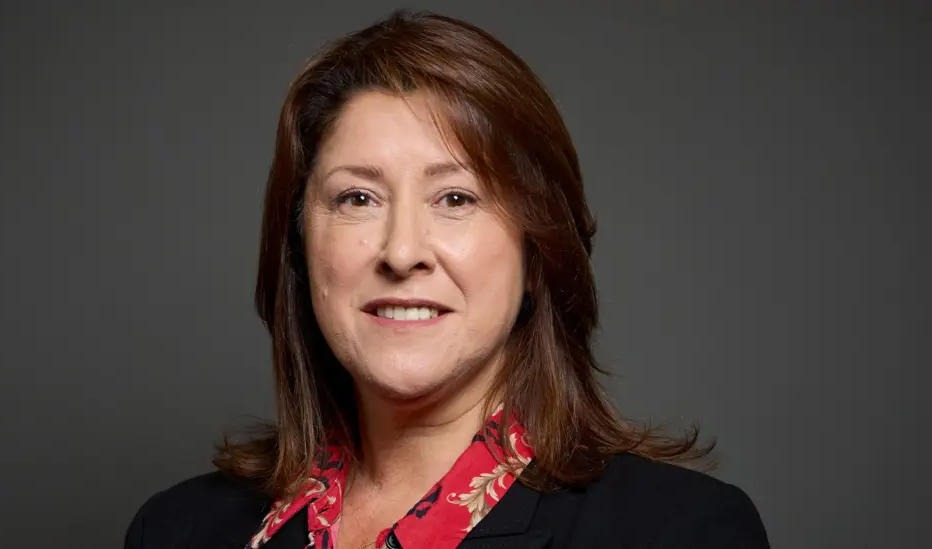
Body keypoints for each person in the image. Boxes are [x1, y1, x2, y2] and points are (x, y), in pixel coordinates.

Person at [124, 10, 770, 549]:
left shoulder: (678, 531)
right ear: (299, 245)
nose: (402, 251)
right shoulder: (178, 530)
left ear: (537, 253)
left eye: (456, 198)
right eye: (357, 198)